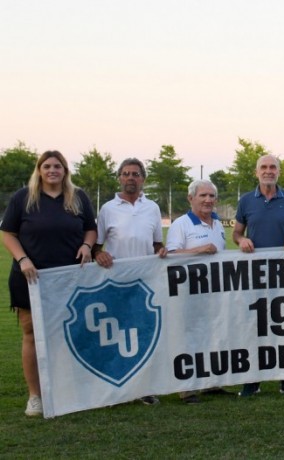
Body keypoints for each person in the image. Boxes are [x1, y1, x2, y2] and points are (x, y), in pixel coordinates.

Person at [1, 150, 97, 416]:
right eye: (47, 166)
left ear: (65, 170)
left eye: (58, 166)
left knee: (70, 333)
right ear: (39, 170)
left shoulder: (78, 197)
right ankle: (35, 396)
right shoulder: (24, 197)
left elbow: (91, 227)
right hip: (30, 277)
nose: (52, 170)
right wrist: (22, 260)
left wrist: (88, 245)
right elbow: (7, 233)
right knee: (31, 334)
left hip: (68, 279)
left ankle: (69, 391)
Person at [233, 154, 284, 398]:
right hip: (254, 274)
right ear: (256, 173)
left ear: (279, 172)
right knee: (254, 326)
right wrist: (241, 240)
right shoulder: (246, 201)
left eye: (272, 167)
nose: (268, 171)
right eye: (263, 167)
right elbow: (236, 233)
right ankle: (251, 380)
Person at [93, 157, 166, 405]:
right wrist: (97, 254)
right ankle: (116, 390)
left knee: (143, 333)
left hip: (145, 282)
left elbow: (156, 243)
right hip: (115, 282)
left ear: (143, 178)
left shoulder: (152, 208)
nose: (130, 178)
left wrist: (161, 251)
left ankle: (143, 388)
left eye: (135, 174)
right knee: (116, 334)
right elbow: (97, 246)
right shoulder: (107, 209)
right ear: (120, 178)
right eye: (126, 174)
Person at [165, 179, 228, 404]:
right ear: (191, 198)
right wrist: (199, 249)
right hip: (187, 292)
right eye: (203, 196)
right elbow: (170, 256)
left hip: (213, 291)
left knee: (212, 334)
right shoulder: (181, 224)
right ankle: (187, 388)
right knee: (189, 338)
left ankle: (212, 383)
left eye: (212, 196)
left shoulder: (218, 224)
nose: (208, 200)